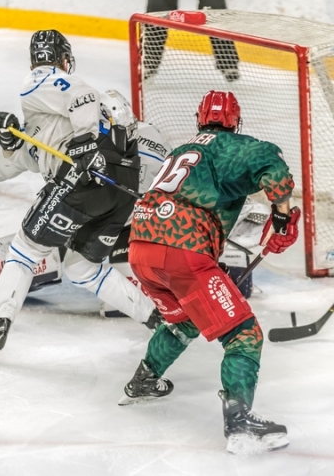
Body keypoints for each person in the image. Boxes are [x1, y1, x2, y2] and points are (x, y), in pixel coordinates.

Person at [0, 30, 162, 364]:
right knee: (82, 268)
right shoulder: (46, 127)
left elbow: (82, 95)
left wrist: (84, 142)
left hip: (84, 178)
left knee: (25, 250)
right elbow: (20, 157)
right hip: (119, 188)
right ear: (67, 57)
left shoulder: (41, 79)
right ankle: (159, 321)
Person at [118, 90, 300, 453]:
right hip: (182, 252)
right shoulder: (230, 146)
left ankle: (144, 380)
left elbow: (216, 201)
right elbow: (275, 169)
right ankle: (239, 422)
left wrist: (271, 225)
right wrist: (282, 216)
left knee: (184, 319)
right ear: (235, 121)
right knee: (244, 334)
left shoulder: (181, 151)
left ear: (200, 119)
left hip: (140, 248)